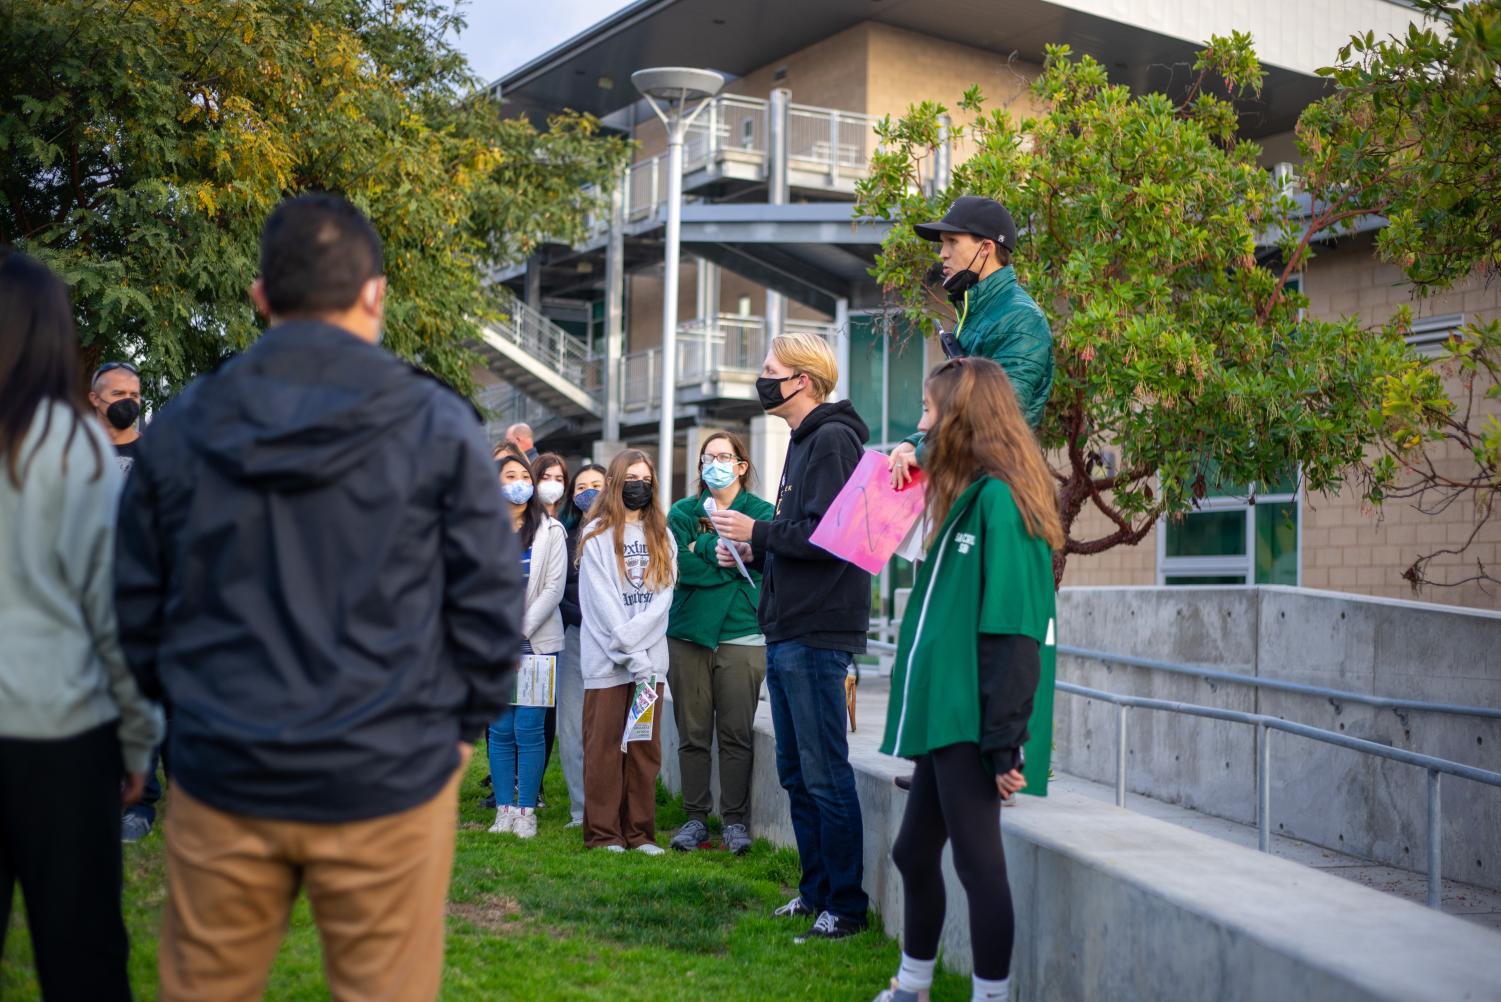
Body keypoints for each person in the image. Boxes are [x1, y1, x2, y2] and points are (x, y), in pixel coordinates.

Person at [114, 193, 524, 1001]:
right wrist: (462, 729)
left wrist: (184, 712)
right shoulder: (438, 423)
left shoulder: (186, 421)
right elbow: (487, 601)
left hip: (234, 768)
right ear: (374, 293)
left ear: (261, 297)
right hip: (385, 776)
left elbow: (133, 604)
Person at [0, 249, 163, 1000]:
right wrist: (137, 740)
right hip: (62, 737)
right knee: (83, 954)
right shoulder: (78, 453)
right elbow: (111, 614)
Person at [871, 358, 1060, 1002]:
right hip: (945, 717)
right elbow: (905, 473)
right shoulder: (965, 497)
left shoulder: (1002, 505)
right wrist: (904, 455)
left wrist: (1003, 743)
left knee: (980, 867)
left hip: (972, 722)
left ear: (961, 420)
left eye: (927, 413)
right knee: (913, 856)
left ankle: (990, 996)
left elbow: (1013, 635)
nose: (919, 425)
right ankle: (913, 986)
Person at [709, 332, 872, 943]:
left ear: (803, 379)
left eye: (770, 369)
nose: (762, 378)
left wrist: (761, 529)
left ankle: (846, 905)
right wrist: (757, 544)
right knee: (797, 773)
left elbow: (829, 538)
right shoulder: (805, 441)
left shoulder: (831, 440)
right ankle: (815, 892)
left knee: (825, 773)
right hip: (787, 628)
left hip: (816, 631)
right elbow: (799, 533)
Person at [888, 196, 1054, 490]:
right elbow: (958, 410)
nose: (942, 254)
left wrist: (923, 451)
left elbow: (997, 418)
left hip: (998, 491)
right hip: (972, 484)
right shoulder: (977, 312)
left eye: (952, 241)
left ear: (986, 247)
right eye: (942, 243)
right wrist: (911, 443)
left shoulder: (1020, 320)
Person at [665, 431, 774, 855]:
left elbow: (765, 570)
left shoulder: (761, 512)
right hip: (689, 634)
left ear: (741, 465)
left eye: (724, 456)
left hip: (742, 635)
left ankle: (734, 822)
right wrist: (716, 550)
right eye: (708, 457)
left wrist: (702, 548)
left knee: (735, 734)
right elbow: (680, 568)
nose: (715, 464)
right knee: (691, 733)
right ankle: (695, 819)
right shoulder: (683, 512)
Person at [577, 449, 676, 855]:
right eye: (632, 478)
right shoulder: (596, 535)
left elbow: (662, 602)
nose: (640, 486)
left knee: (642, 752)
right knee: (603, 751)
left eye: (647, 479)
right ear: (616, 483)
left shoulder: (662, 535)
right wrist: (633, 658)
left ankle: (639, 833)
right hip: (608, 665)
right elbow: (603, 607)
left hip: (650, 668)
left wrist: (644, 665)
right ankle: (604, 834)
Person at [489, 452, 568, 839]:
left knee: (530, 728)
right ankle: (503, 809)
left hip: (536, 643)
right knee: (501, 728)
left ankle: (526, 812)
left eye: (525, 474)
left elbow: (553, 589)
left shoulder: (551, 531)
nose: (519, 481)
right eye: (510, 475)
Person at [556, 461, 607, 828]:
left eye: (597, 484)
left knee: (608, 728)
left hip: (615, 641)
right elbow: (558, 592)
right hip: (576, 636)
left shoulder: (625, 534)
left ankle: (611, 805)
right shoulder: (564, 536)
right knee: (572, 726)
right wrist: (586, 616)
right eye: (581, 486)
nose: (589, 491)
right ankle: (581, 809)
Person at [89, 359, 144, 475]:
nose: (128, 400)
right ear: (95, 399)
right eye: (118, 394)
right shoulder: (72, 452)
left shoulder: (155, 453)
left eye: (134, 395)